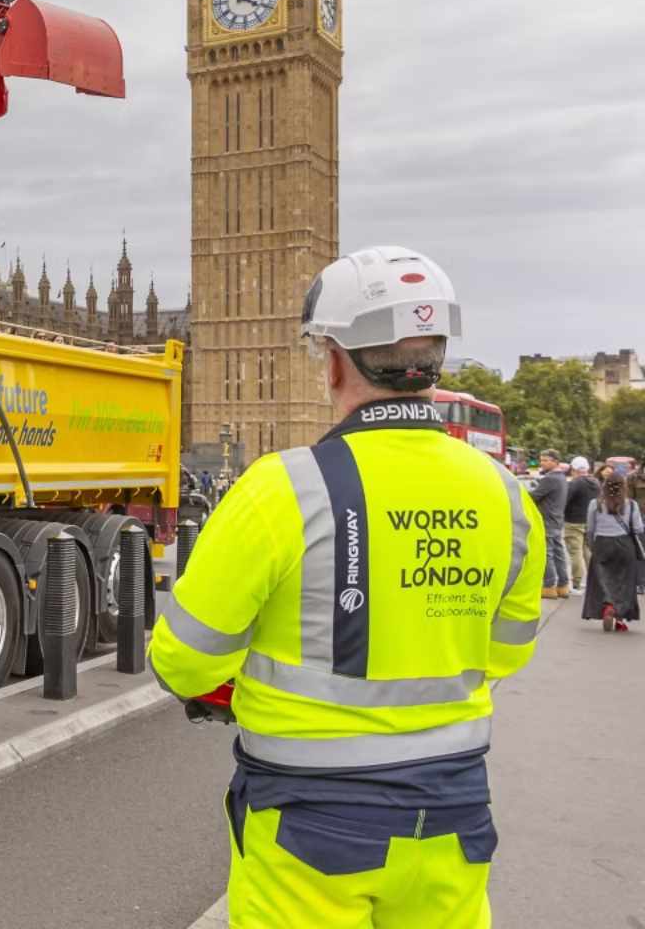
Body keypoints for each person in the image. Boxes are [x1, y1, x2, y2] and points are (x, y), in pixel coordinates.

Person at [151, 246, 542, 928]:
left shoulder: (282, 489)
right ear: (436, 360)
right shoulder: (506, 497)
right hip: (452, 821)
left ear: (332, 359)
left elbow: (184, 658)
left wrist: (240, 689)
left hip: (313, 831)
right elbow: (507, 651)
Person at [581, 472, 642, 632]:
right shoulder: (632, 505)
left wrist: (592, 545)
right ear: (624, 487)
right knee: (624, 582)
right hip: (624, 544)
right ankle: (620, 619)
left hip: (602, 543)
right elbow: (638, 528)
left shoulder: (595, 504)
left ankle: (607, 605)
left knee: (602, 579)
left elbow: (590, 528)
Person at [528, 450, 570, 599]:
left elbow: (533, 496)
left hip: (547, 521)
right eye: (541, 460)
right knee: (559, 554)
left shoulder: (550, 478)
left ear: (555, 461)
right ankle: (563, 586)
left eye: (545, 460)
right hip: (557, 520)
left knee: (548, 555)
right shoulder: (561, 477)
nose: (542, 463)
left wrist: (527, 488)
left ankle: (549, 586)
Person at [563, 455, 597, 592]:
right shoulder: (595, 483)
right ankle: (594, 581)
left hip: (573, 521)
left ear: (574, 469)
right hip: (589, 521)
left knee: (575, 552)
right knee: (588, 552)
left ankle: (576, 583)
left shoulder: (575, 483)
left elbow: (565, 500)